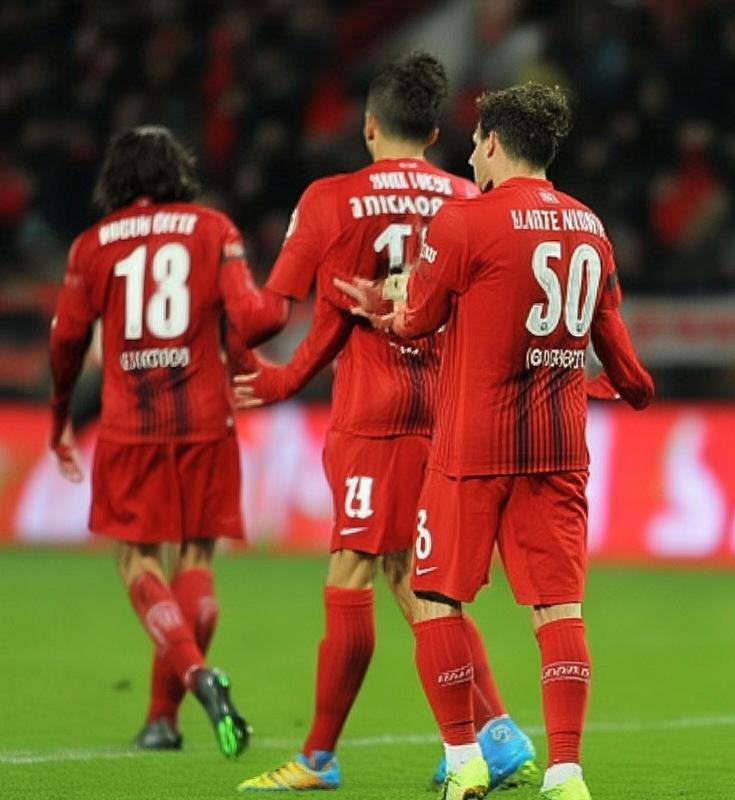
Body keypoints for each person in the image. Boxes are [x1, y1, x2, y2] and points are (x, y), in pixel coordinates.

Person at [337, 83, 655, 800]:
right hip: (559, 448)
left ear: (494, 144)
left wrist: (384, 311)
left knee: (435, 596)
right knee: (559, 611)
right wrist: (629, 389)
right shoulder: (590, 226)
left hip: (472, 446)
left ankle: (464, 761)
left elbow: (418, 321)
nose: (471, 157)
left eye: (476, 144)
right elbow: (618, 351)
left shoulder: (465, 221)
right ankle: (567, 773)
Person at [230, 52, 538, 792]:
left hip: (377, 415)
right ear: (434, 132)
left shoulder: (332, 199)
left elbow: (296, 309)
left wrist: (272, 366)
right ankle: (494, 734)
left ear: (368, 126)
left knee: (356, 570)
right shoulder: (468, 196)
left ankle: (320, 758)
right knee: (414, 577)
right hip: (450, 410)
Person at [48, 125, 283, 759]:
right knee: (197, 561)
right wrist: (251, 364)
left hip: (131, 425)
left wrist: (60, 413)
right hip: (207, 418)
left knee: (138, 561)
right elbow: (246, 315)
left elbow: (66, 340)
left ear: (116, 179)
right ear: (178, 171)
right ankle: (162, 718)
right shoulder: (214, 229)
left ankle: (195, 679)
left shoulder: (92, 244)